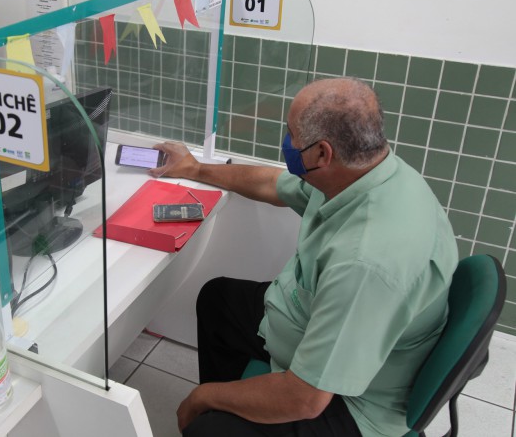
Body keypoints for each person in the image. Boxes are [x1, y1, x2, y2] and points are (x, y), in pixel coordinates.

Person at [149, 77, 458, 437]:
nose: (286, 141)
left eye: (291, 133)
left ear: (322, 153)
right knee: (219, 300)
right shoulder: (363, 173)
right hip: (314, 324)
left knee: (209, 428)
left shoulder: (366, 261)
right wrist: (195, 169)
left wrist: (203, 398)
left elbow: (305, 398)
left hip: (355, 404)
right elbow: (270, 184)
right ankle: (235, 406)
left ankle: (219, 419)